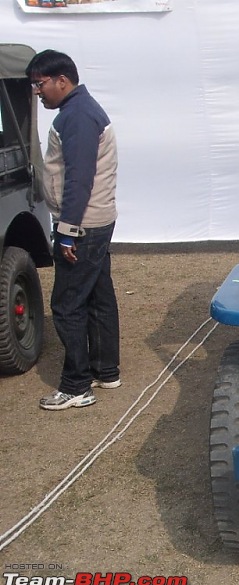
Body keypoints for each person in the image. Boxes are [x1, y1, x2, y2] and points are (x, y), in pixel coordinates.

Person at [26, 50, 121, 411]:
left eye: (40, 83)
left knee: (65, 305)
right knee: (98, 295)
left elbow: (79, 179)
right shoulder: (81, 110)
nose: (38, 92)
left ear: (61, 80)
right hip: (96, 220)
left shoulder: (77, 116)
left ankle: (76, 385)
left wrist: (66, 231)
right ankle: (106, 370)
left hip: (83, 225)